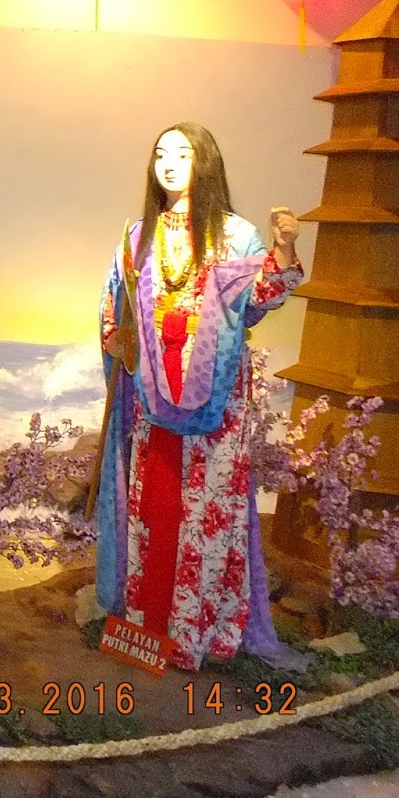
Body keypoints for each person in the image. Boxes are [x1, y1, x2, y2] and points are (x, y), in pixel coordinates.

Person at [94, 121, 305, 671]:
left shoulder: (234, 235)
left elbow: (258, 301)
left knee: (205, 510)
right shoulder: (137, 236)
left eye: (182, 154)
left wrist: (283, 249)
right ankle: (146, 621)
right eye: (160, 154)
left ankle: (197, 629)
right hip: (151, 395)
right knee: (154, 506)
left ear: (204, 162)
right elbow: (116, 307)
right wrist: (117, 338)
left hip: (214, 399)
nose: (168, 164)